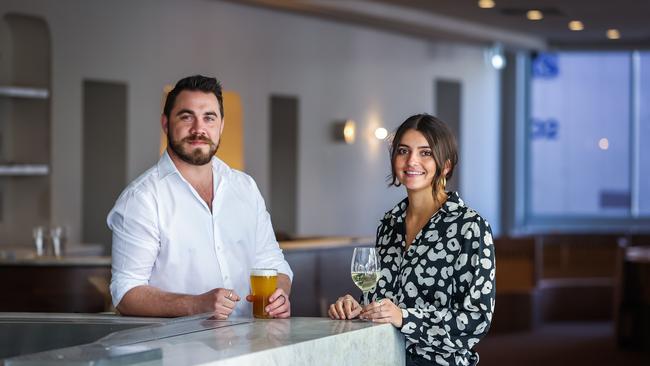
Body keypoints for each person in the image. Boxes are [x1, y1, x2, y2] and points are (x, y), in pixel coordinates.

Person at [108, 75, 293, 319]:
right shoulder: (142, 198)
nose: (199, 129)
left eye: (209, 117)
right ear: (165, 124)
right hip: (178, 353)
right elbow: (126, 292)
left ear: (221, 125)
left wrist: (279, 295)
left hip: (251, 348)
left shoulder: (245, 188)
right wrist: (196, 305)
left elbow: (274, 264)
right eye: (186, 117)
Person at [328, 114, 495, 366]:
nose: (411, 161)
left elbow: (475, 320)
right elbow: (381, 301)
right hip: (383, 358)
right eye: (403, 151)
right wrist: (356, 307)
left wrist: (405, 317)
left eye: (425, 153)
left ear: (445, 165)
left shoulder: (470, 227)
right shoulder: (389, 223)